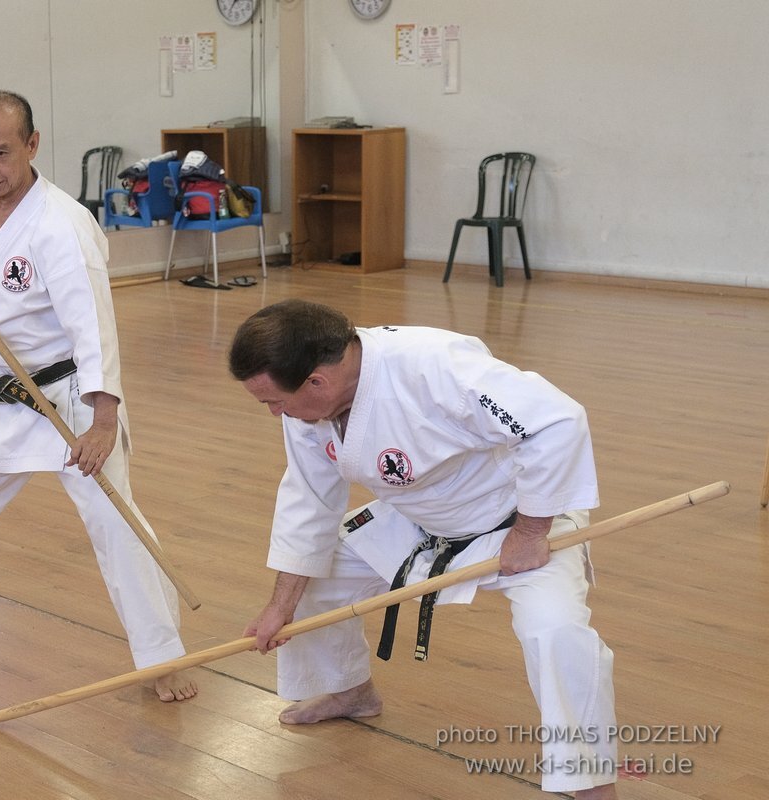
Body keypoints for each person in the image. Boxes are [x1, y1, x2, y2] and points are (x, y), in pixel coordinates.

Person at [228, 299, 617, 798]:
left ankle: (588, 782)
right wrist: (278, 607)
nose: (273, 414)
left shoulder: (434, 366)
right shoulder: (308, 402)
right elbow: (309, 498)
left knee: (555, 631)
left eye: (273, 402)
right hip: (420, 521)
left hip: (517, 520)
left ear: (317, 381)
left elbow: (556, 421)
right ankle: (351, 691)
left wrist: (530, 532)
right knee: (312, 578)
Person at [0, 90, 196, 702]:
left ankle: (163, 656)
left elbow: (95, 325)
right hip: (7, 393)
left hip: (73, 396)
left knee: (115, 520)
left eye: (2, 152)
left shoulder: (62, 225)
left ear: (32, 145)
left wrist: (104, 420)